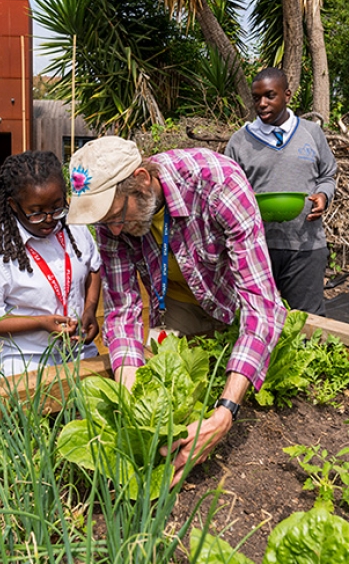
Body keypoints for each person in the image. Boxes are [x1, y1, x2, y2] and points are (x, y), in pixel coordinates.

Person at [67, 136, 287, 484]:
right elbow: (122, 309)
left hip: (231, 300)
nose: (113, 230)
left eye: (115, 217)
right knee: (172, 382)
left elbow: (260, 304)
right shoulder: (112, 221)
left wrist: (225, 411)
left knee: (234, 372)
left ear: (141, 179)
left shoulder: (218, 183)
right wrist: (131, 400)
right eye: (103, 222)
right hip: (176, 303)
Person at [0, 150, 101, 376]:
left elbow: (93, 269)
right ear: (14, 205)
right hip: (23, 360)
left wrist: (89, 309)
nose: (49, 219)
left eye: (57, 208)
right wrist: (40, 323)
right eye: (36, 213)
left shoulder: (74, 229)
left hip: (77, 351)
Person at [225, 67, 337, 316]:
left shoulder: (312, 133)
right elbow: (228, 192)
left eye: (269, 95)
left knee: (308, 324)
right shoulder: (240, 141)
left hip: (306, 246)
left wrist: (323, 196)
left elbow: (327, 175)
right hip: (255, 248)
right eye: (256, 98)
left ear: (287, 95)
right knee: (257, 320)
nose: (262, 104)